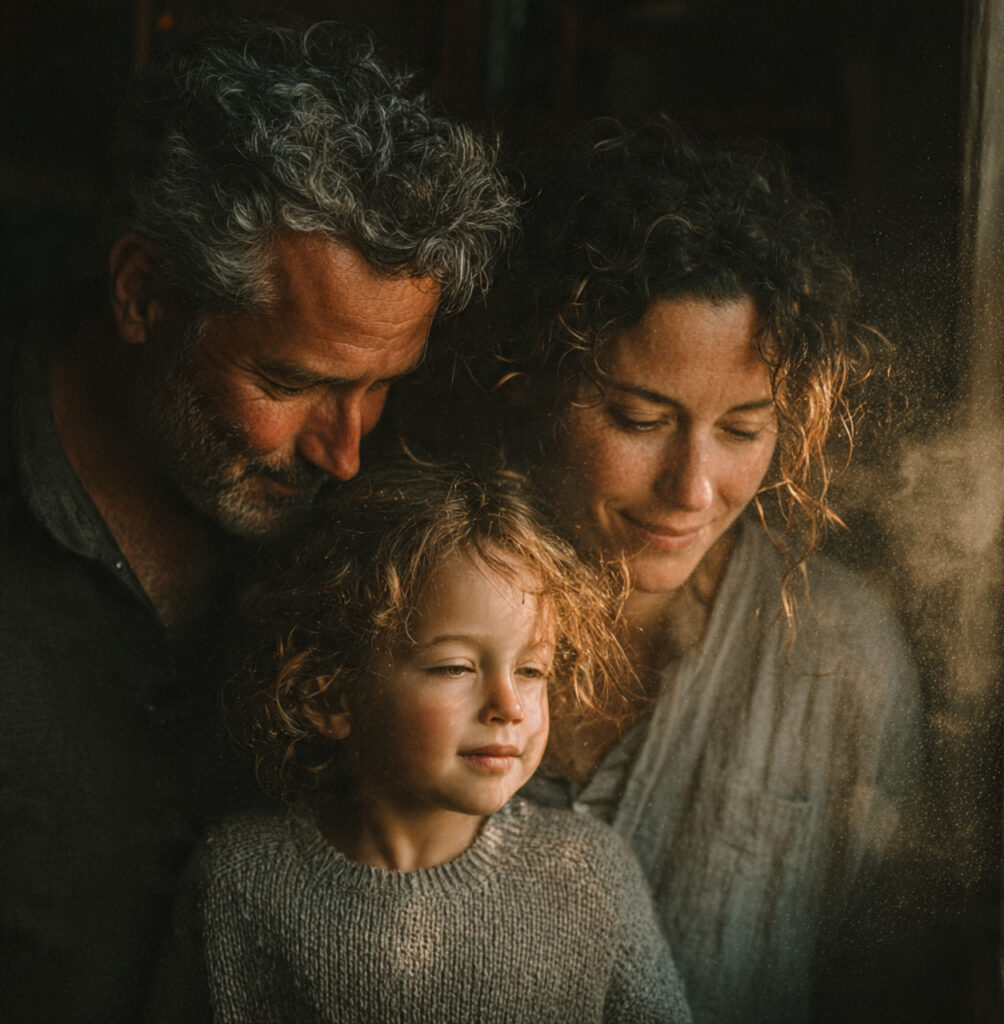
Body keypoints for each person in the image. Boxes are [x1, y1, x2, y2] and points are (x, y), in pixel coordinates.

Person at [0, 22, 514, 1024]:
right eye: (291, 381)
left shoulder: (397, 537)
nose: (345, 451)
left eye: (378, 389)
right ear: (143, 293)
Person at [447, 120, 924, 1024]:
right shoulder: (401, 614)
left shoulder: (845, 665)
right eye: (638, 418)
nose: (692, 489)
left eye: (744, 429)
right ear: (535, 385)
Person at [145, 461, 691, 1024]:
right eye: (455, 668)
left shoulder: (587, 873)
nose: (509, 706)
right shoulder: (242, 880)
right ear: (331, 697)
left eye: (531, 671)